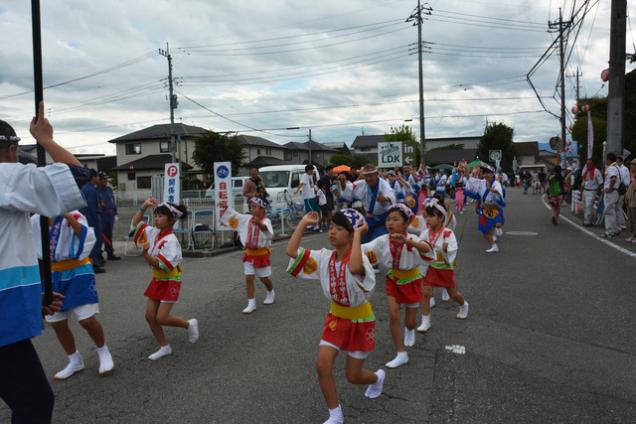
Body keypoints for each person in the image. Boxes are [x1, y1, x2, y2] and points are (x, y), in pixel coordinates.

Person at [0, 105, 88, 424]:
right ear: (11, 149)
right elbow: (78, 180)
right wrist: (46, 139)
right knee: (34, 403)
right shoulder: (5, 176)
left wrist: (31, 301)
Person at [286, 209, 384, 424]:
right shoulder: (324, 257)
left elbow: (355, 267)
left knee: (353, 376)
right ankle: (335, 414)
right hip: (336, 318)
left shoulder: (360, 259)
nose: (332, 232)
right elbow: (292, 251)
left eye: (339, 229)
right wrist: (303, 223)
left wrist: (358, 235)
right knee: (322, 365)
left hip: (360, 321)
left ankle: (377, 377)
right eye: (331, 227)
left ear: (350, 234)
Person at [31, 211, 114, 380]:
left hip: (78, 270)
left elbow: (88, 237)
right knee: (57, 322)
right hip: (52, 273)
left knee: (86, 319)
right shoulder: (35, 219)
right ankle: (74, 360)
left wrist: (67, 217)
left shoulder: (74, 215)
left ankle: (103, 351)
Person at [361, 204, 432, 369]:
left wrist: (408, 242)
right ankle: (401, 353)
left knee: (410, 322)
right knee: (393, 315)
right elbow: (365, 249)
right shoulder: (382, 240)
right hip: (393, 279)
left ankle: (409, 329)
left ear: (406, 223)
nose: (390, 223)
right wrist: (351, 246)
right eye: (388, 219)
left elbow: (427, 249)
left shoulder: (412, 239)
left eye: (395, 219)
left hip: (412, 280)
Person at [131, 198, 199, 360]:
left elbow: (162, 265)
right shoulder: (154, 232)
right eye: (156, 216)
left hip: (170, 280)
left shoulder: (172, 241)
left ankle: (189, 324)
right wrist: (144, 207)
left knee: (161, 318)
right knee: (149, 316)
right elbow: (135, 225)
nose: (156, 219)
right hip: (158, 279)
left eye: (160, 216)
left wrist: (146, 254)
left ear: (171, 220)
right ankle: (164, 346)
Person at [417, 198, 469, 333]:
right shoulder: (426, 232)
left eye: (432, 216)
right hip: (431, 267)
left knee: (453, 294)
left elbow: (452, 250)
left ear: (441, 218)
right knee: (426, 292)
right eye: (426, 216)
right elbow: (420, 243)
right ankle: (426, 321)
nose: (427, 220)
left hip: (444, 269)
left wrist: (445, 250)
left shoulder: (447, 232)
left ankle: (463, 304)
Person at [220, 197, 275, 314]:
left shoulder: (266, 221)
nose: (252, 209)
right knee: (249, 278)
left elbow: (268, 234)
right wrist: (227, 209)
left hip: (261, 254)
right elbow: (235, 216)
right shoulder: (247, 219)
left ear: (262, 209)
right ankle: (251, 303)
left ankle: (270, 292)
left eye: (255, 207)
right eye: (251, 207)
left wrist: (260, 224)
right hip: (249, 254)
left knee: (264, 278)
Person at [341, 164, 396, 242]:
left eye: (370, 176)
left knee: (377, 241)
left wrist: (384, 199)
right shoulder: (362, 184)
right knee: (361, 239)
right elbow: (349, 189)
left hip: (382, 220)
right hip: (369, 219)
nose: (368, 179)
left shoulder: (384, 184)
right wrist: (343, 184)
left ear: (376, 174)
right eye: (366, 176)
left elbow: (391, 196)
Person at [464, 166, 505, 253]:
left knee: (497, 224)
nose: (486, 175)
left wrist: (489, 189)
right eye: (484, 173)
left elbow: (499, 194)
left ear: (492, 174)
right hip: (484, 210)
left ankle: (497, 228)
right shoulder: (480, 182)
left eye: (488, 173)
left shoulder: (496, 184)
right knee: (484, 232)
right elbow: (469, 178)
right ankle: (494, 246)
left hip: (494, 209)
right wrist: (466, 169)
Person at [81, 169, 105, 273]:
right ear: (93, 177)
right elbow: (92, 207)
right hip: (92, 218)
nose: (98, 179)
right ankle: (93, 263)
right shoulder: (90, 190)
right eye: (97, 177)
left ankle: (92, 262)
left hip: (88, 218)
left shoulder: (85, 188)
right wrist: (96, 220)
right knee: (95, 241)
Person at [97, 172, 120, 261]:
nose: (105, 181)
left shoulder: (109, 190)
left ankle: (110, 253)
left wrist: (115, 213)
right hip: (102, 215)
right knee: (101, 236)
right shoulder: (97, 191)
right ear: (99, 180)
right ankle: (99, 255)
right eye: (103, 179)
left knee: (109, 235)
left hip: (110, 214)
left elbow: (113, 202)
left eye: (106, 179)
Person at [295, 164, 320, 230]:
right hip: (308, 197)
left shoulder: (311, 176)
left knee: (315, 211)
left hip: (313, 196)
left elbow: (313, 185)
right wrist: (297, 190)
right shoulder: (304, 176)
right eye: (311, 170)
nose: (312, 171)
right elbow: (301, 183)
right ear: (308, 170)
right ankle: (310, 225)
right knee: (310, 212)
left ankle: (315, 225)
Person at [602, 153, 621, 238]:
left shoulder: (611, 168)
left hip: (611, 193)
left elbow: (613, 179)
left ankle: (610, 231)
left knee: (609, 212)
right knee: (613, 211)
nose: (605, 161)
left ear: (609, 160)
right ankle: (615, 229)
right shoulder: (617, 167)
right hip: (615, 192)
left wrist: (609, 188)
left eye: (606, 159)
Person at [580, 159, 603, 226]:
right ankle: (589, 219)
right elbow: (583, 181)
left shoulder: (596, 171)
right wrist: (581, 189)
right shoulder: (586, 171)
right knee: (585, 206)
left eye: (589, 163)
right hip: (585, 190)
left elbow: (601, 182)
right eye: (587, 164)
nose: (588, 165)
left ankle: (587, 222)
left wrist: (601, 191)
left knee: (588, 206)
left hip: (592, 191)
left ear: (592, 164)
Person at [616, 156, 630, 230]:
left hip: (622, 188)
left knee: (619, 207)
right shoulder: (617, 168)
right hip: (618, 188)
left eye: (618, 161)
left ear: (621, 162)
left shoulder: (624, 169)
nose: (617, 162)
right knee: (619, 207)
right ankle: (620, 223)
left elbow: (623, 179)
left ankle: (621, 223)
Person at [624, 160, 636, 243]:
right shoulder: (632, 175)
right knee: (631, 219)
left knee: (635, 219)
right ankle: (633, 235)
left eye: (633, 165)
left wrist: (633, 179)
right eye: (631, 165)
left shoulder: (634, 176)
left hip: (635, 200)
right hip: (630, 199)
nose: (631, 166)